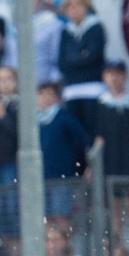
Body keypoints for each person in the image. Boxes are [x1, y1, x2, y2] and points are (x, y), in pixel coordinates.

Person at [55, 0, 106, 132]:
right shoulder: (66, 32)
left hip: (93, 87)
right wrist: (82, 55)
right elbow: (62, 63)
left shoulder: (96, 27)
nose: (74, 9)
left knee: (93, 130)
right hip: (72, 90)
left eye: (78, 5)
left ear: (87, 7)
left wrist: (74, 58)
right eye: (70, 6)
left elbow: (94, 56)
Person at [37, 83, 89, 218]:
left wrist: (82, 167)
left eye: (49, 94)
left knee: (61, 215)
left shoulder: (65, 119)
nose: (45, 98)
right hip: (41, 177)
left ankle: (65, 239)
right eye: (41, 95)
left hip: (62, 176)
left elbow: (81, 143)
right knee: (45, 218)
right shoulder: (34, 121)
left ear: (58, 98)